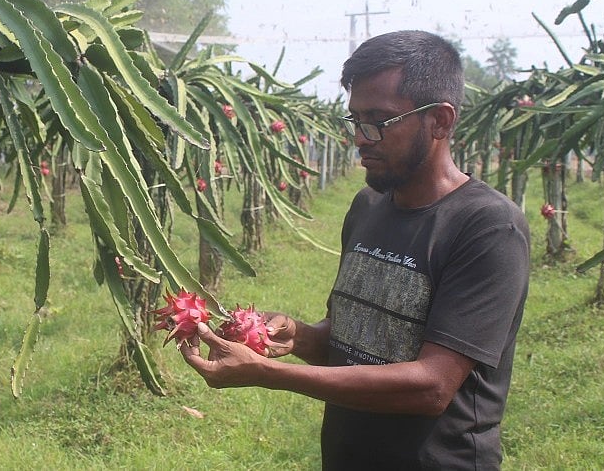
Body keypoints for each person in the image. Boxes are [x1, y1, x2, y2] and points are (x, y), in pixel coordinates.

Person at [180, 30, 530, 470]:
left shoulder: (488, 226)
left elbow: (432, 386)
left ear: (440, 120)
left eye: (379, 121)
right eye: (355, 120)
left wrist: (268, 375)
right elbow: (348, 344)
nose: (361, 138)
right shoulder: (368, 206)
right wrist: (302, 336)